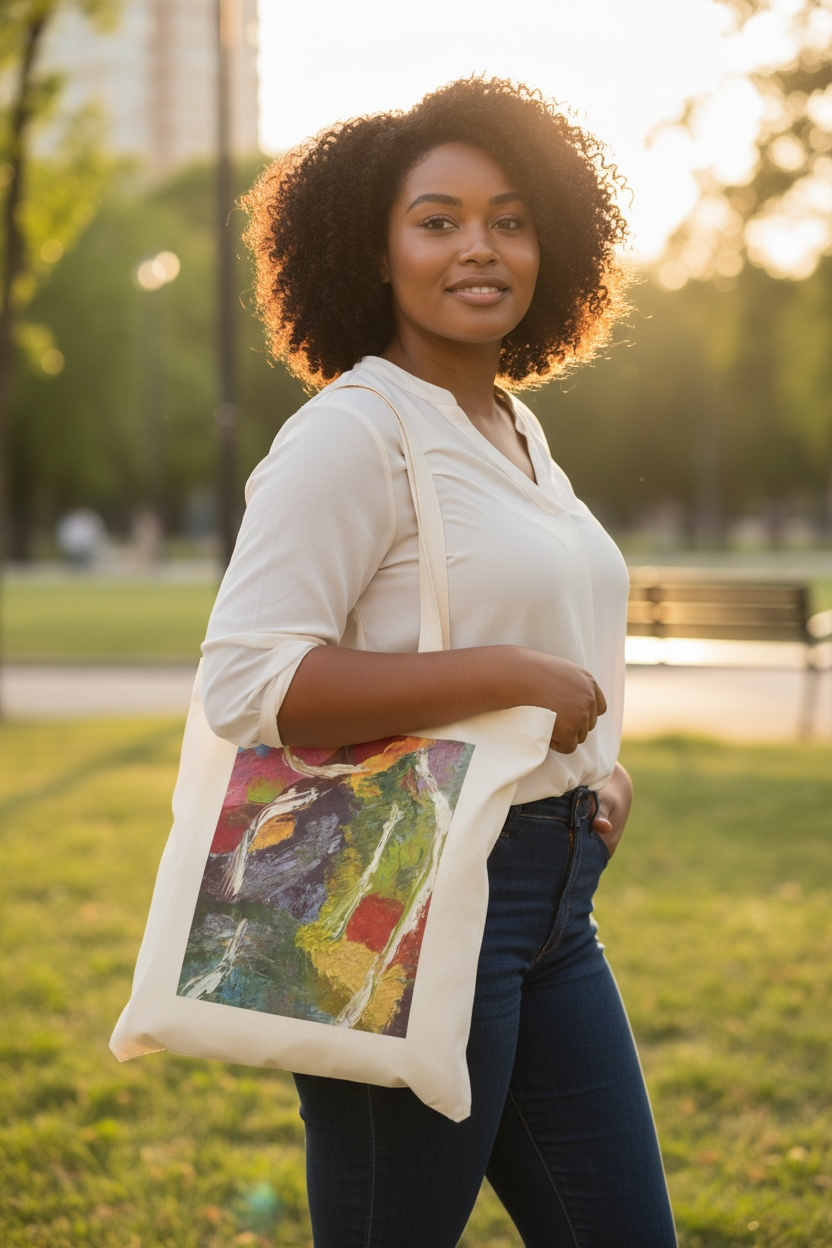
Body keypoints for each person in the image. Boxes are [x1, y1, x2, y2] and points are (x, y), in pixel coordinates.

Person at [201, 77, 677, 1248]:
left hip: (553, 901)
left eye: (511, 220)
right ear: (374, 249)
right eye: (438, 219)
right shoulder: (352, 432)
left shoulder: (510, 425)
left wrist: (590, 770)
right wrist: (511, 672)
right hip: (402, 899)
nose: (481, 247)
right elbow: (248, 683)